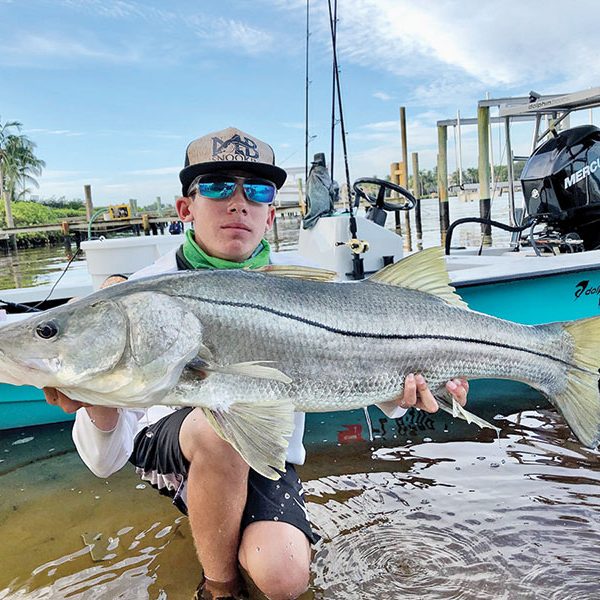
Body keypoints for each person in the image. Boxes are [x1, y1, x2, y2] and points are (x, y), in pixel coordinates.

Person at [44, 127, 469, 600]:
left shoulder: (305, 288)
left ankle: (231, 532)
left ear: (270, 216)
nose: (238, 202)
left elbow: (353, 371)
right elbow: (106, 463)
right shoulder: (140, 294)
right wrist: (99, 403)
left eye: (259, 190)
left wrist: (407, 393)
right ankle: (217, 588)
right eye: (217, 185)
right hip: (175, 445)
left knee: (283, 576)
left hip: (264, 447)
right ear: (186, 207)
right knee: (217, 427)